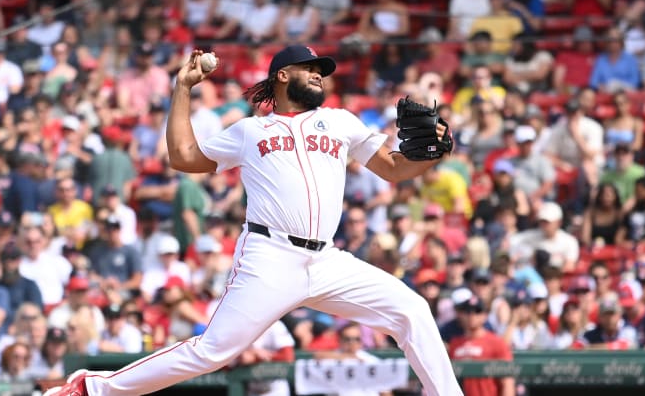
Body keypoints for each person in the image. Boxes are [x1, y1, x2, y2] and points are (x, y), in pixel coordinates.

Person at [45, 46, 463, 395]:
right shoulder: (250, 131)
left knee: (412, 309)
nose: (319, 75)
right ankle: (91, 389)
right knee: (213, 351)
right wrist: (183, 89)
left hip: (328, 261)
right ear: (282, 76)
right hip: (271, 255)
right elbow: (183, 157)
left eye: (322, 71)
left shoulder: (341, 122)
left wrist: (434, 153)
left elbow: (394, 168)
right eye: (310, 69)